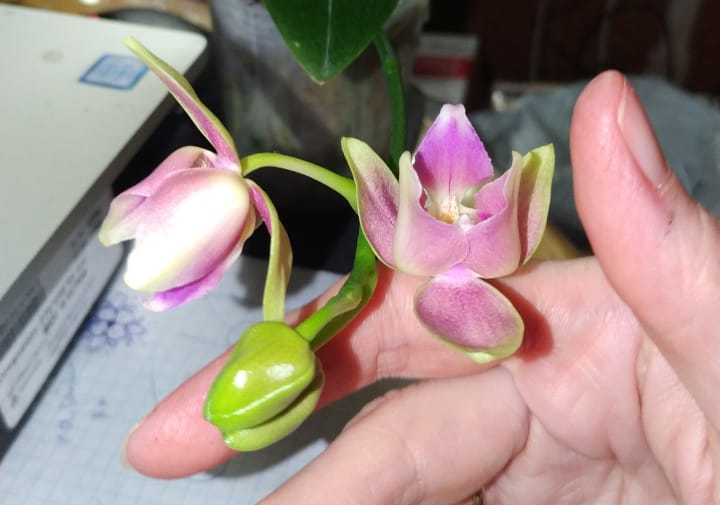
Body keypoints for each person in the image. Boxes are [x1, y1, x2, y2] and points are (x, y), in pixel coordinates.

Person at [121, 71, 719, 504]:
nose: (454, 214)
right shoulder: (389, 222)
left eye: (465, 210)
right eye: (436, 208)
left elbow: (516, 174)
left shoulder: (476, 266)